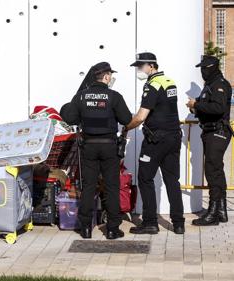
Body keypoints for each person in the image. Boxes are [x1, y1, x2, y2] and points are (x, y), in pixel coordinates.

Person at [66, 62, 132, 240]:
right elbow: (126, 118)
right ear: (106, 76)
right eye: (110, 74)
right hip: (109, 146)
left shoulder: (80, 96)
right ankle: (112, 229)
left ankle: (85, 228)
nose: (111, 77)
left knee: (88, 186)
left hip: (89, 146)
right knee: (111, 187)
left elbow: (69, 117)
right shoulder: (114, 96)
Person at [125, 52, 185, 235]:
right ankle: (178, 223)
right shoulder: (169, 81)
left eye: (140, 66)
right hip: (174, 137)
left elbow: (141, 117)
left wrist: (126, 127)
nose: (138, 70)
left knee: (145, 177)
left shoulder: (152, 85)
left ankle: (150, 222)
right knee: (172, 180)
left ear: (151, 66)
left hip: (156, 140)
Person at [186, 55, 232, 226]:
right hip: (211, 131)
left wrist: (196, 105)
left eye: (204, 68)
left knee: (212, 172)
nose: (202, 71)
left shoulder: (219, 84)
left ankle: (212, 214)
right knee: (217, 171)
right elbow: (210, 108)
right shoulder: (210, 85)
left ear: (212, 67)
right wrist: (197, 107)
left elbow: (218, 108)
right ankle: (221, 211)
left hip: (218, 131)